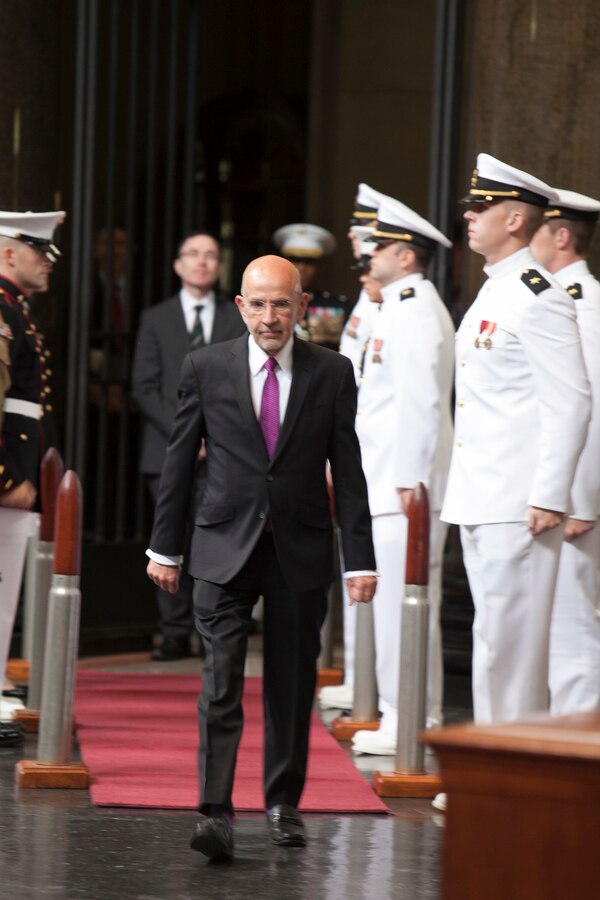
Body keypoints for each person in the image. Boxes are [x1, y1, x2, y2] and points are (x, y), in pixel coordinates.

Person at [146, 255, 376, 860]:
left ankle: (283, 804)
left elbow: (349, 472)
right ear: (240, 307)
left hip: (300, 546)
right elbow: (177, 461)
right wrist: (164, 546)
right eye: (258, 304)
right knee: (220, 683)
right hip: (222, 545)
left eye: (282, 304)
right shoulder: (206, 366)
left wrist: (359, 559)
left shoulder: (333, 372)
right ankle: (215, 811)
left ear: (301, 307)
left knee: (291, 685)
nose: (270, 316)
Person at [434, 155, 592, 812]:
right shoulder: (499, 289)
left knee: (513, 646)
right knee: (496, 641)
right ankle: (494, 773)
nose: (468, 216)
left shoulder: (537, 297)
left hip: (518, 501)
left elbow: (574, 399)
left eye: (480, 207)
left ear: (516, 218)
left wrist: (550, 494)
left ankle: (508, 783)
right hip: (486, 493)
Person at [342, 197, 455, 756]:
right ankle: (400, 711)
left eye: (379, 245)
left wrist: (410, 481)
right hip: (385, 477)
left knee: (404, 605)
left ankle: (408, 714)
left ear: (406, 256)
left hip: (401, 484)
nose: (368, 252)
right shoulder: (397, 307)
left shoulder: (414, 310)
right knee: (391, 607)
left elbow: (420, 404)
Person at [132, 231, 247, 661]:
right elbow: (144, 387)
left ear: (219, 267)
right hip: (165, 452)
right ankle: (174, 632)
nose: (202, 262)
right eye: (193, 255)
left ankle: (209, 630)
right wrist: (186, 437)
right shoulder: (155, 318)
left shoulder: (234, 318)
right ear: (178, 265)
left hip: (221, 455)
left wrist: (210, 436)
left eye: (211, 256)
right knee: (168, 539)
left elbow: (241, 385)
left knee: (213, 540)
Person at [530, 188, 600, 714]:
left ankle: (576, 768)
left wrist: (579, 500)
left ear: (561, 236)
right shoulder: (552, 297)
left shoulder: (585, 304)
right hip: (550, 493)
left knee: (573, 634)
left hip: (573, 502)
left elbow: (591, 408)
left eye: (538, 228)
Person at [319, 182, 386, 713]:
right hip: (362, 453)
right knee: (358, 576)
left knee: (374, 580)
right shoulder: (369, 295)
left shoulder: (401, 303)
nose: (354, 239)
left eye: (364, 232)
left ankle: (391, 698)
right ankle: (363, 680)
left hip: (386, 468)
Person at [0, 209, 65, 746]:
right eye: (39, 252)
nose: (47, 263)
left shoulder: (14, 309)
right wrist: (3, 479)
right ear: (7, 254)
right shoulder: (1, 309)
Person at [272, 223, 347, 349]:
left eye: (309, 262)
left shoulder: (337, 306)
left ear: (319, 266)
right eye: (295, 259)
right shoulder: (268, 304)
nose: (302, 267)